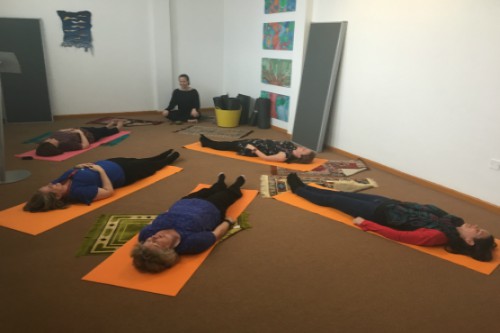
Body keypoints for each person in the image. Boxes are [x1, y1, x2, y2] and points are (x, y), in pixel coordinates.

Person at [286, 173, 497, 262]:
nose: (476, 225)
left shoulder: (438, 236)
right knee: (341, 195)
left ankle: (299, 190)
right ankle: (307, 187)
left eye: (477, 231)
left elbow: (397, 235)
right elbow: (424, 209)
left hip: (379, 214)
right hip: (391, 203)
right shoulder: (454, 221)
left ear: (469, 241)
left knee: (332, 201)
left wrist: (365, 224)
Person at [131, 173, 246, 273]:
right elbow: (216, 234)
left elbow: (161, 216)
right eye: (156, 243)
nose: (154, 237)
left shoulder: (145, 234)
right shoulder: (191, 243)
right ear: (168, 251)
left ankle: (220, 182)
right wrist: (228, 221)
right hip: (213, 207)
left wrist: (172, 208)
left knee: (208, 190)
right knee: (229, 194)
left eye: (149, 240)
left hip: (185, 202)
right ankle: (237, 184)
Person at [23, 149, 180, 212]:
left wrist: (77, 166)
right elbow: (108, 192)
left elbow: (73, 171)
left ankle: (160, 156)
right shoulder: (78, 193)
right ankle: (168, 159)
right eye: (50, 188)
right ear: (56, 196)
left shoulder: (59, 182)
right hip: (123, 174)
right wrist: (101, 171)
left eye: (47, 185)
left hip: (111, 162)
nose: (51, 184)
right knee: (150, 167)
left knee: (140, 160)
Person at [199, 134, 316, 164]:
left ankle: (206, 143)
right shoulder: (292, 147)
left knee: (229, 145)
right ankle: (208, 142)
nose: (303, 148)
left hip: (253, 148)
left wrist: (253, 149)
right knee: (230, 143)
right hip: (259, 142)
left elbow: (266, 158)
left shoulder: (284, 156)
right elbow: (278, 143)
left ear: (300, 156)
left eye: (304, 150)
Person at [35, 119, 125, 157]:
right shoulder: (66, 144)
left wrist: (69, 129)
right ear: (53, 147)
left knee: (98, 129)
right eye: (50, 141)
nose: (50, 139)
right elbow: (85, 145)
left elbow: (59, 132)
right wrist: (80, 133)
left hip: (82, 129)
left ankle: (107, 126)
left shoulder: (51, 140)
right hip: (89, 135)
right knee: (104, 132)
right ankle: (117, 128)